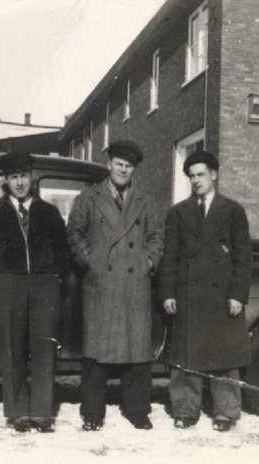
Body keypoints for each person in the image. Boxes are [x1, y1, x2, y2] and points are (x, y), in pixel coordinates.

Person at [66, 140, 164, 431]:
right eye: (118, 163)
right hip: (101, 284)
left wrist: (147, 263)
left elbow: (156, 239)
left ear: (134, 169)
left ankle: (137, 410)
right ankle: (92, 412)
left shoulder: (146, 201)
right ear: (108, 165)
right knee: (97, 353)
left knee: (136, 352)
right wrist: (90, 261)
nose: (123, 169)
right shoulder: (88, 198)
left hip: (134, 285)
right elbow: (74, 234)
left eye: (129, 165)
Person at [157, 150, 252, 432]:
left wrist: (237, 294)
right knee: (186, 358)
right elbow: (170, 257)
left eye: (201, 174)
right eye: (191, 176)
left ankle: (225, 412)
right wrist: (168, 293)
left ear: (214, 174)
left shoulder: (233, 211)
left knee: (225, 356)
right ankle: (185, 410)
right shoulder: (178, 212)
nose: (196, 181)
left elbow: (243, 258)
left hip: (222, 296)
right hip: (188, 295)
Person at [0, 152, 71, 433]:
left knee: (44, 346)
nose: (20, 182)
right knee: (12, 346)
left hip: (44, 284)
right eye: (14, 177)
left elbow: (63, 250)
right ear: (6, 181)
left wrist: (56, 276)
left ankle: (42, 412)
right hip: (8, 284)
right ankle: (17, 411)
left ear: (32, 178)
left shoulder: (49, 213)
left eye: (24, 176)